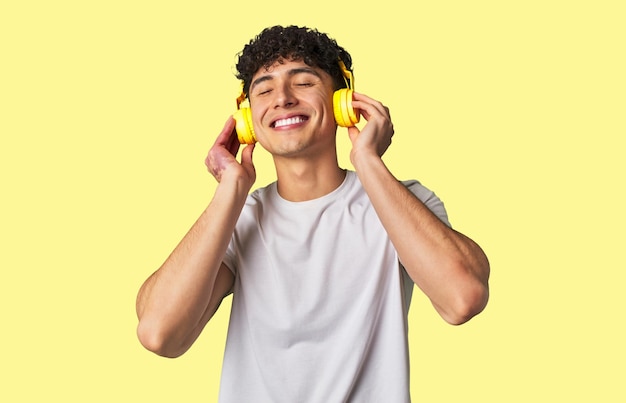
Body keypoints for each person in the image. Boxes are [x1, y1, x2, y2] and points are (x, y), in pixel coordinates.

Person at [136, 25, 490, 402]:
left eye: (303, 83)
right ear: (247, 119)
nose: (282, 99)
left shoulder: (404, 203)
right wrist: (230, 190)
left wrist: (368, 162)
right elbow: (159, 334)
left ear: (344, 102)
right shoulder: (238, 220)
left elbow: (462, 298)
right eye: (264, 89)